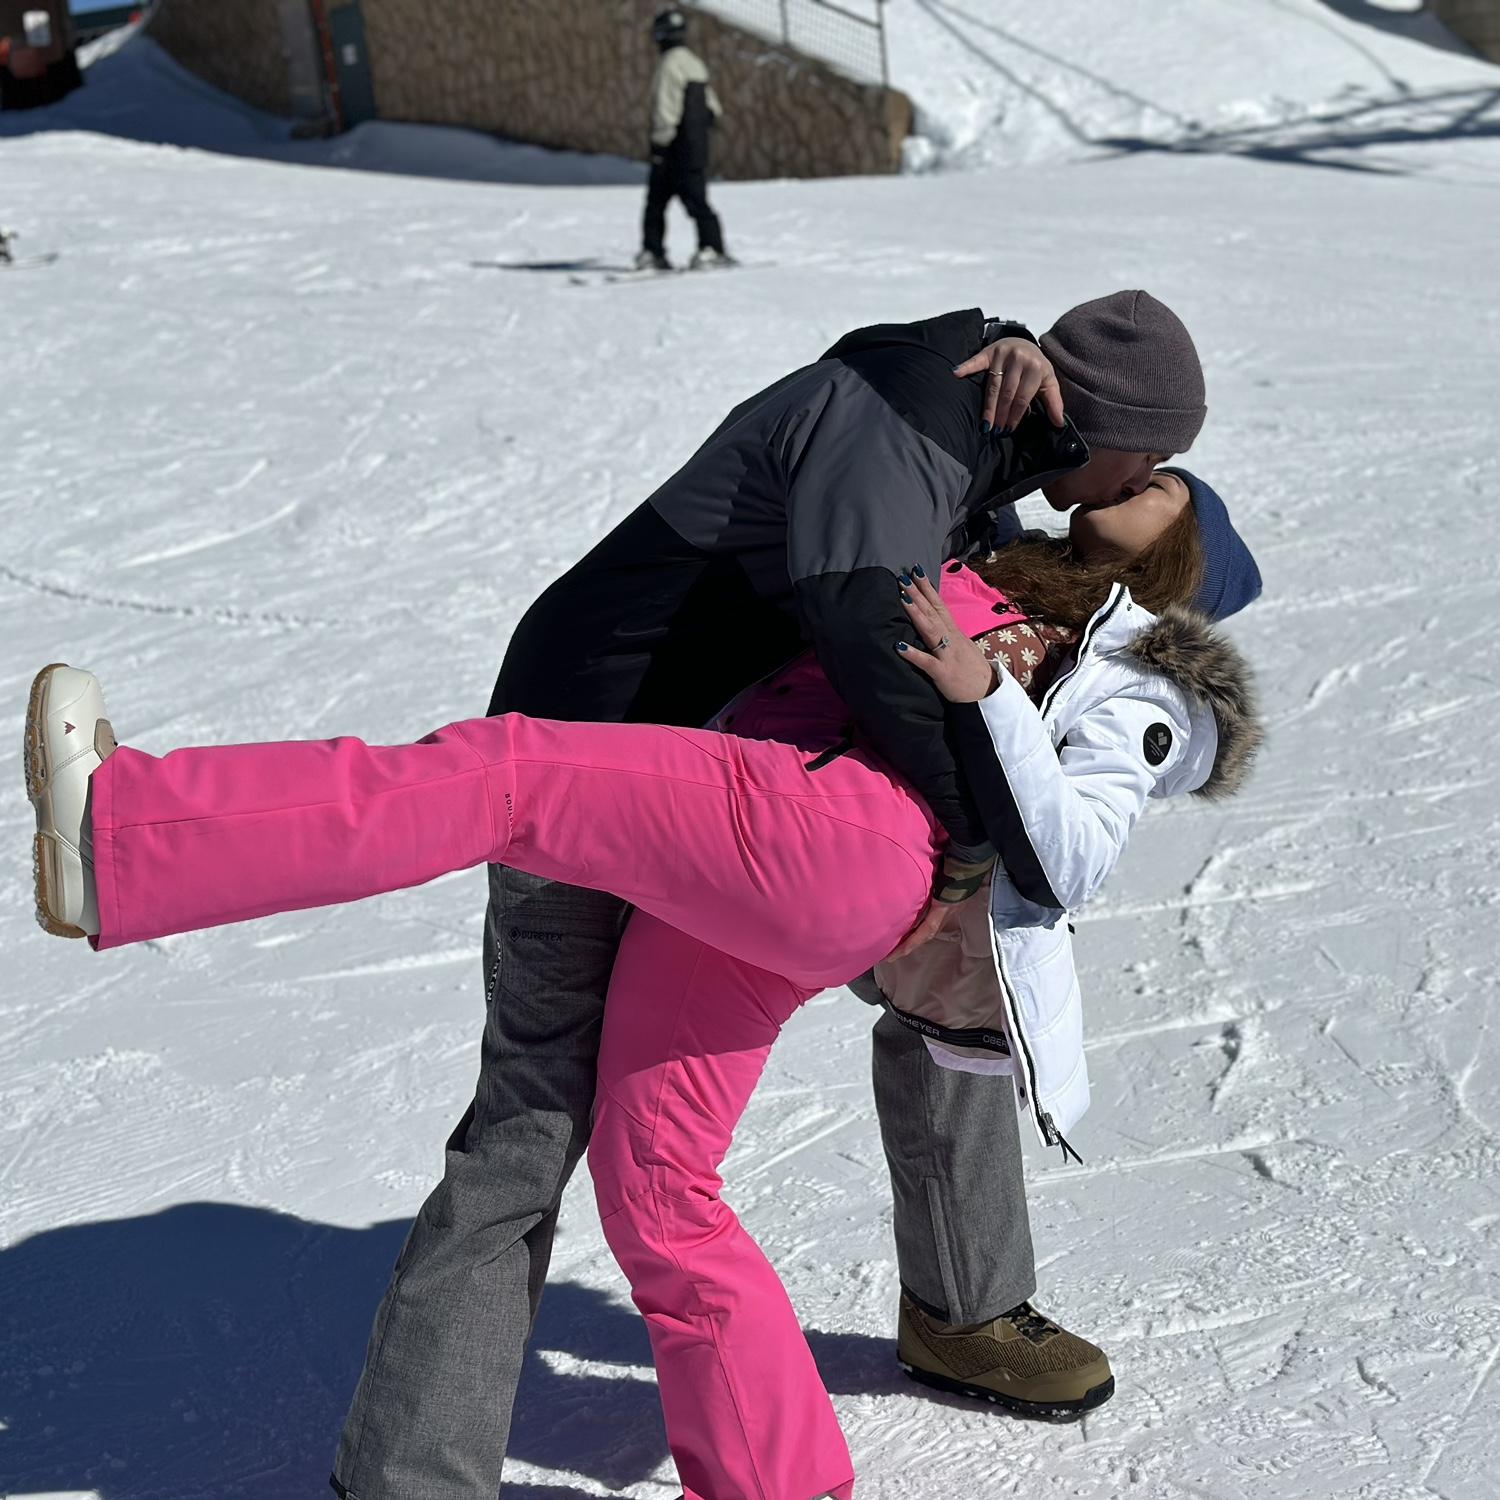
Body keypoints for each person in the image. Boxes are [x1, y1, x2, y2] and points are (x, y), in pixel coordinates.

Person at [26, 463, 1260, 1498]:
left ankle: (127, 842)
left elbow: (1075, 854)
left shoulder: (1151, 684)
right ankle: (781, 1481)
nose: (1126, 474)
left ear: (1182, 560)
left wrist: (987, 687)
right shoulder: (1017, 563)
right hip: (797, 870)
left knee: (511, 778)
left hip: (829, 829)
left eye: (1159, 484)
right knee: (660, 1182)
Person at [638, 7, 731, 272]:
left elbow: (665, 107)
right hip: (695, 147)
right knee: (697, 201)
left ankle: (654, 252)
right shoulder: (694, 62)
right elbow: (712, 108)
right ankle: (711, 247)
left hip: (673, 148)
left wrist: (659, 142)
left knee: (656, 205)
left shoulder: (668, 65)